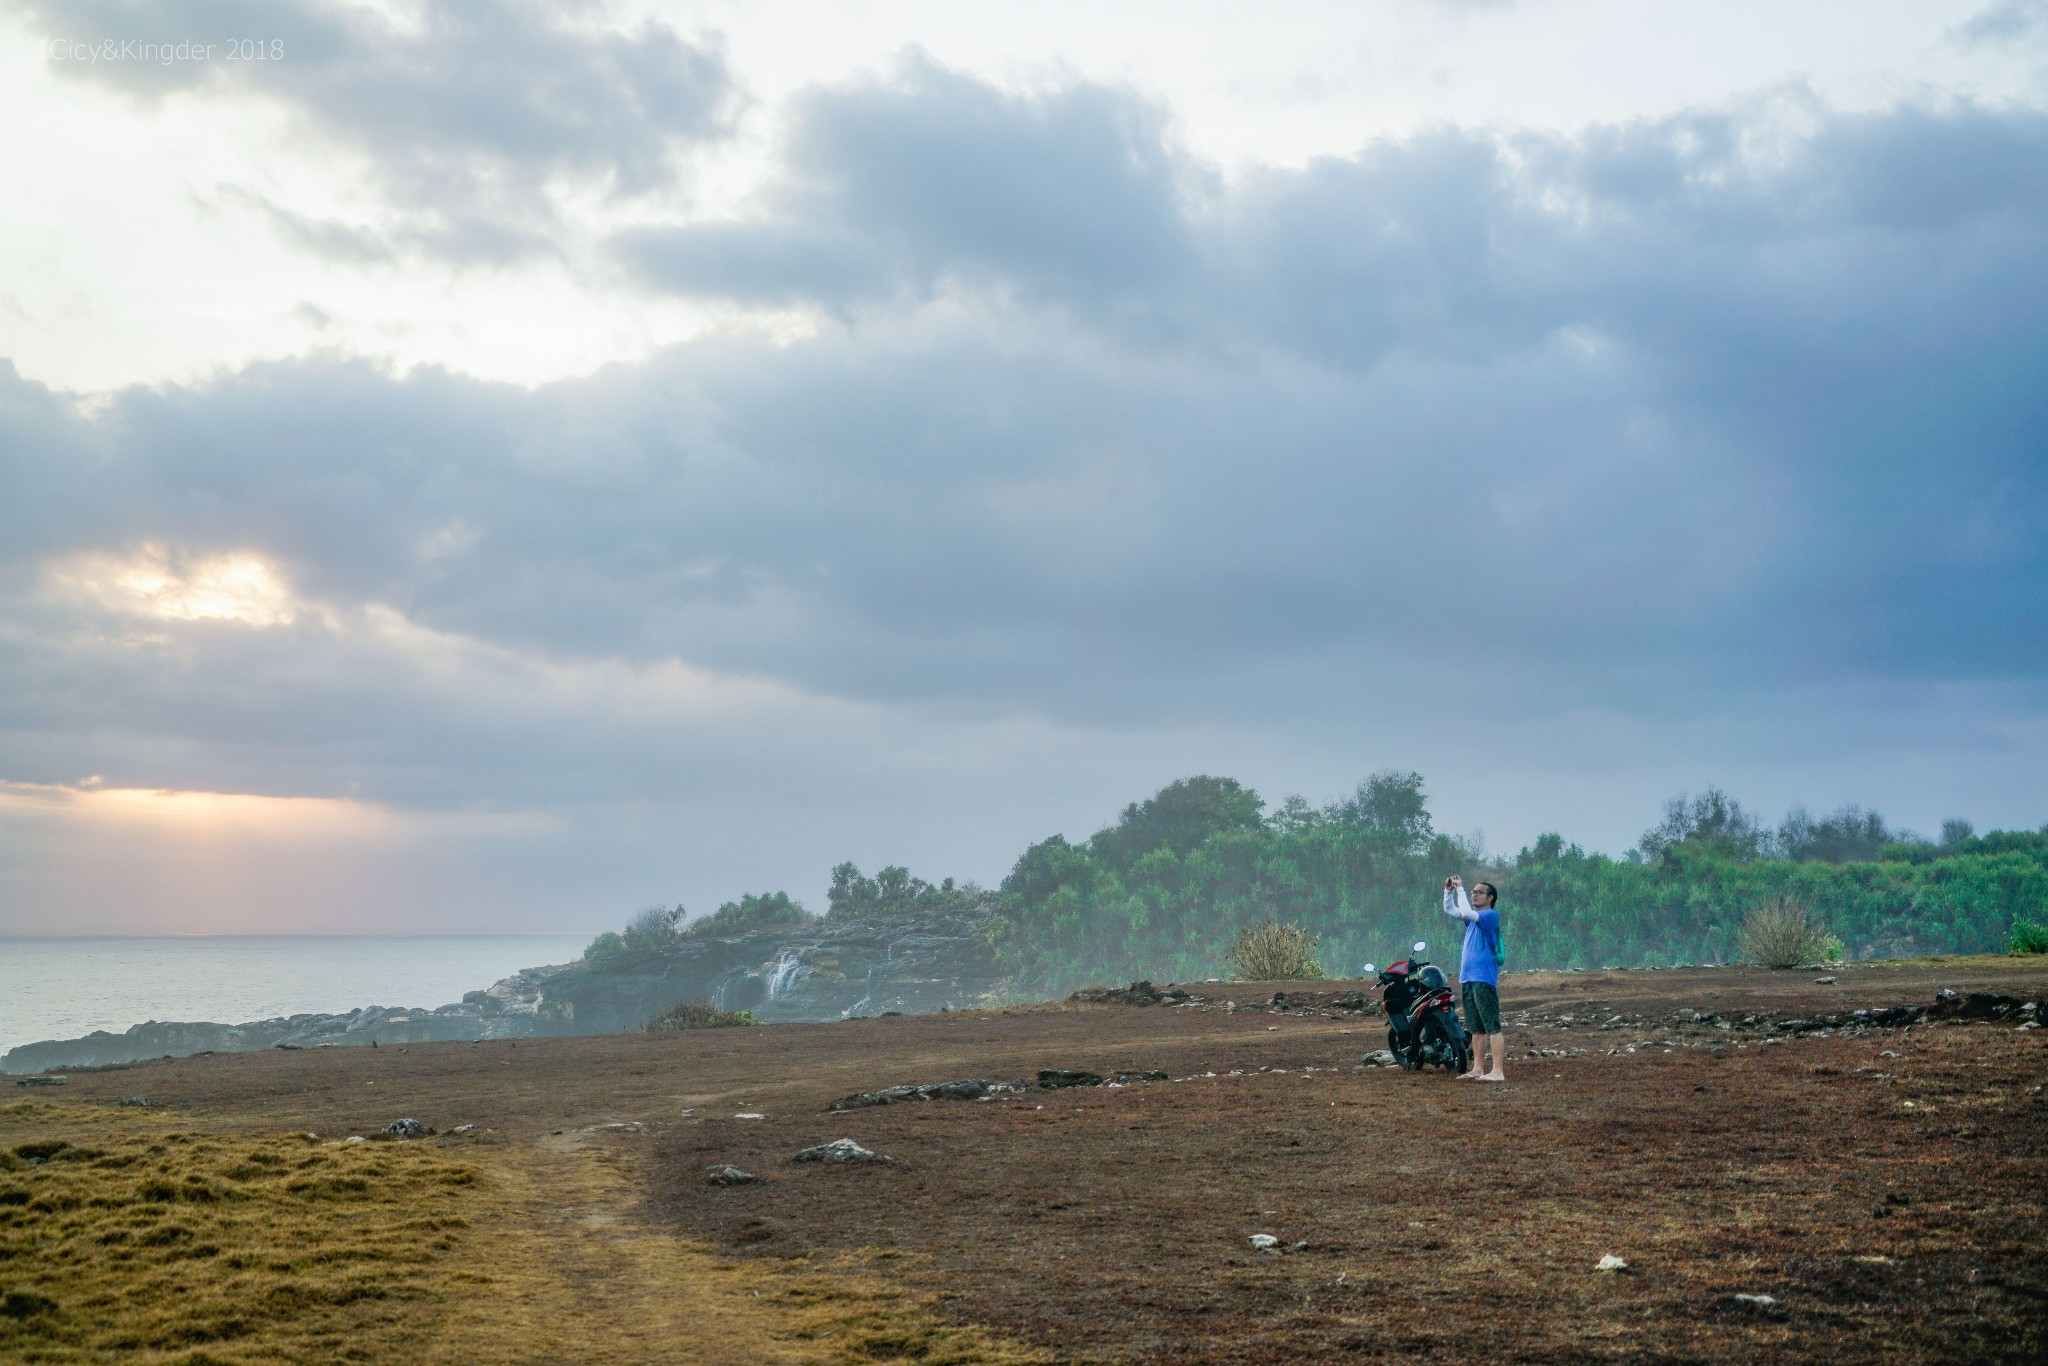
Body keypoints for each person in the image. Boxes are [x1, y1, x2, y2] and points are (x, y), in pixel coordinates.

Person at [1443, 875, 1506, 1082]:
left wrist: (1460, 889)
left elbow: (1468, 912)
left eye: (1479, 892)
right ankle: (1477, 1068)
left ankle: (1497, 1071)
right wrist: (1449, 891)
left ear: (1490, 897)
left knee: (1492, 1026)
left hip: (1483, 978)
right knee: (1476, 1029)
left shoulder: (1490, 916)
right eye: (1473, 892)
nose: (1474, 895)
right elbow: (1451, 910)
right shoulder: (1472, 921)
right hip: (1468, 978)